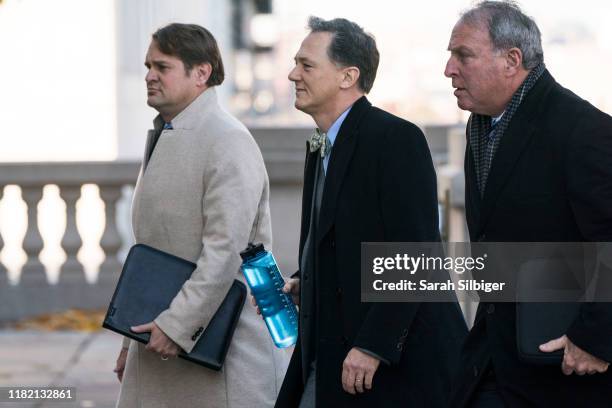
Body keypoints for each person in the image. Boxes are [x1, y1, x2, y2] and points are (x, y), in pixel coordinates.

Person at [273, 16, 467, 407]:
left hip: (396, 368)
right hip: (330, 356)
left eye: (307, 65)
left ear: (348, 76)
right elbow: (341, 237)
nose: (293, 74)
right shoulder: (320, 145)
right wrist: (306, 277)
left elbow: (417, 253)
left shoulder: (396, 138)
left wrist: (373, 346)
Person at [444, 1, 612, 406]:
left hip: (565, 370)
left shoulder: (583, 130)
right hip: (493, 360)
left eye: (463, 55)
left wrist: (594, 340)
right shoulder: (479, 126)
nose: (449, 69)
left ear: (511, 60)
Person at [113, 23, 288, 407]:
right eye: (147, 66)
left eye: (162, 66)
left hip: (220, 355)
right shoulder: (169, 133)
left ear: (201, 73)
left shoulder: (227, 139)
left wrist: (176, 326)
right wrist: (131, 342)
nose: (149, 76)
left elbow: (225, 250)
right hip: (162, 344)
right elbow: (155, 256)